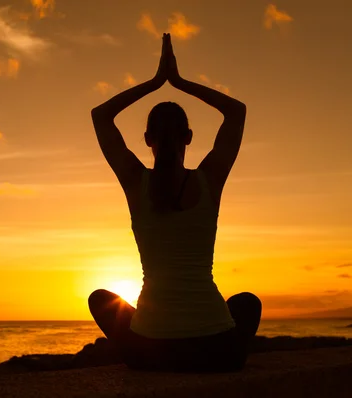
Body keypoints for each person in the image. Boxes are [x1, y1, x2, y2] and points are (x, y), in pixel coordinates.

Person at [88, 33, 262, 372]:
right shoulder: (209, 179)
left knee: (100, 300)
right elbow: (236, 111)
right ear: (189, 137)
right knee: (245, 303)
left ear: (148, 140)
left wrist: (155, 83)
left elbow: (100, 116)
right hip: (218, 353)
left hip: (150, 354)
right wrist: (179, 82)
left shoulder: (136, 182)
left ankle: (155, 339)